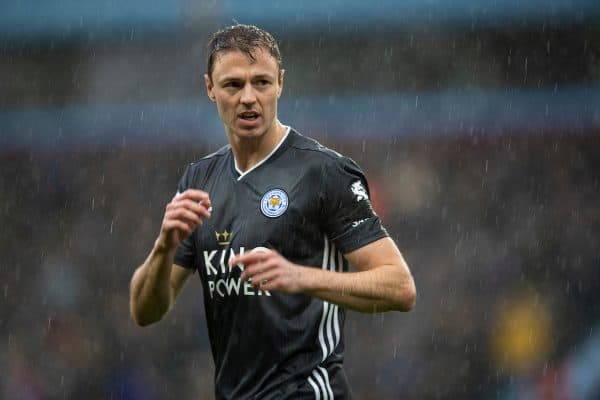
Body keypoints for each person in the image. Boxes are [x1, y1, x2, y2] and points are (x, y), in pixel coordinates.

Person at [129, 24, 416, 400]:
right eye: (233, 85)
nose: (249, 97)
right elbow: (145, 311)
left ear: (280, 83)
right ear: (210, 88)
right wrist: (165, 246)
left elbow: (399, 286)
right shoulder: (199, 179)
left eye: (261, 82)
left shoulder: (324, 172)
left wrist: (298, 276)